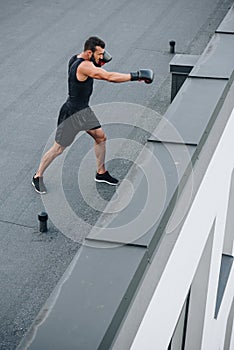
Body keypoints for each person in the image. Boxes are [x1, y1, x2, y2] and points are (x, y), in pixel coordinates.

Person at [32, 36, 154, 194]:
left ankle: (101, 172)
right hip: (72, 113)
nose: (102, 57)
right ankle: (37, 176)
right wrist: (137, 75)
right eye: (99, 54)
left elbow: (96, 65)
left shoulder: (76, 57)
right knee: (59, 148)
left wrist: (98, 58)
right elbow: (108, 77)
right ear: (89, 52)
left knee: (100, 137)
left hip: (84, 110)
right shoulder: (84, 66)